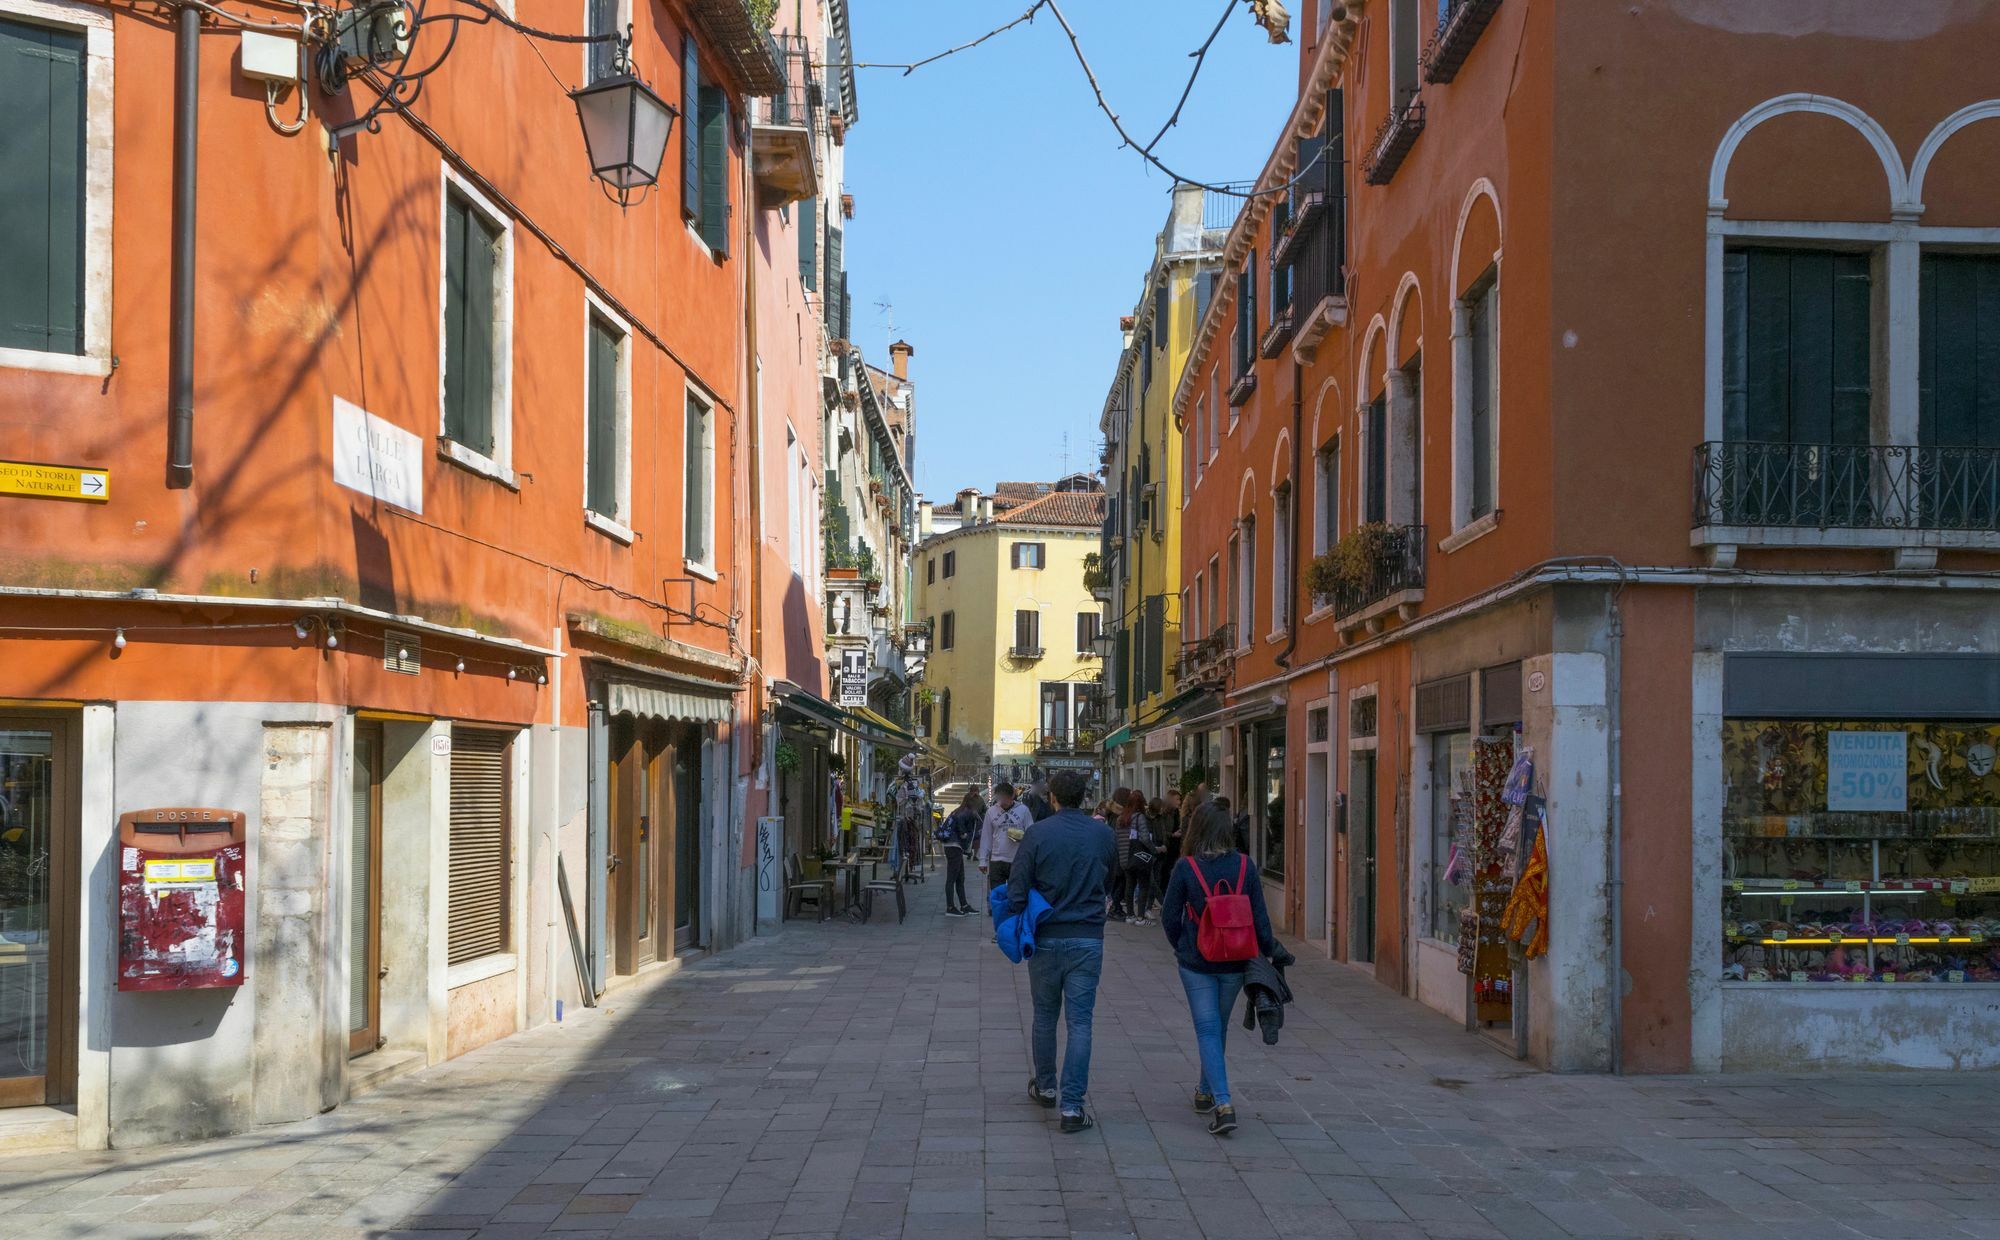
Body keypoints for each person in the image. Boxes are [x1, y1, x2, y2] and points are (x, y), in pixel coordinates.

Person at [1160, 803, 1292, 1136]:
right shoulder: (1246, 866)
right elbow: (1261, 919)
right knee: (1216, 1027)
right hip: (1235, 960)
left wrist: (1183, 945)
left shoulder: (1185, 868)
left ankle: (1223, 1103)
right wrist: (1267, 952)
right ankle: (1205, 1092)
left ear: (1195, 830)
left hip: (1197, 961)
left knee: (1207, 1028)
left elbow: (1168, 916)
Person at [1005, 768, 1117, 1133]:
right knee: (1080, 1023)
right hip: (1087, 937)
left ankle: (1047, 1086)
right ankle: (1072, 1108)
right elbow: (1111, 877)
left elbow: (1017, 888)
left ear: (1052, 797)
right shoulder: (1102, 833)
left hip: (1047, 936)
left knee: (1044, 1015)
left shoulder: (1037, 833)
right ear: (1084, 797)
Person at [979, 782, 1033, 923]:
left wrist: (1020, 836)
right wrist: (983, 860)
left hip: (1017, 860)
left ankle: (1016, 924)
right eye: (999, 798)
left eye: (1004, 798)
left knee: (1017, 896)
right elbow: (986, 836)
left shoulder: (1023, 810)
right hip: (997, 860)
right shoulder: (991, 812)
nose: (1001, 801)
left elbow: (1031, 834)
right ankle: (1001, 928)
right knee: (998, 897)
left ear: (1012, 796)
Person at [938, 790, 985, 916]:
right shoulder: (966, 812)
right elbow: (962, 827)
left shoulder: (960, 810)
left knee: (960, 877)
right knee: (952, 877)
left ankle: (964, 905)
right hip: (954, 846)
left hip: (953, 846)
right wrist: (963, 833)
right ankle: (950, 907)